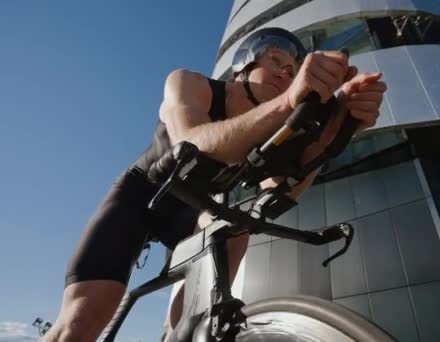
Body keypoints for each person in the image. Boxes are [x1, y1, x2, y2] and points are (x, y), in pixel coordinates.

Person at [44, 27, 386, 342]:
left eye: (294, 72)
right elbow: (194, 145)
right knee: (82, 320)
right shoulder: (191, 84)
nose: (286, 74)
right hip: (141, 197)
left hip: (192, 209)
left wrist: (336, 132)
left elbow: (280, 189)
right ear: (244, 65)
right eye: (276, 61)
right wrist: (287, 103)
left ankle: (179, 333)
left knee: (234, 229)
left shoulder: (266, 128)